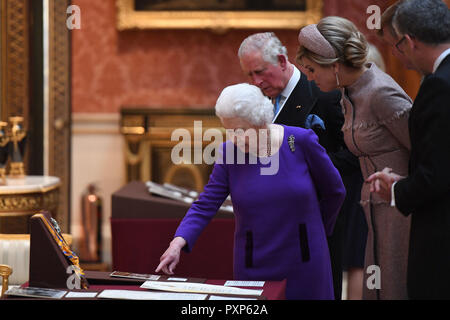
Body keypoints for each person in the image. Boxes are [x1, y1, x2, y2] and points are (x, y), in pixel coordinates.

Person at [156, 83, 346, 300]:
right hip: (254, 264)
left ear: (262, 121)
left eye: (240, 131)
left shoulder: (300, 141)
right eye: (229, 131)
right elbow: (206, 203)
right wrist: (178, 241)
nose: (234, 139)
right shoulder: (229, 153)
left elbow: (335, 191)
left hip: (305, 260)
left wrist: (317, 229)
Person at [296, 16, 412, 300]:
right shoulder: (348, 93)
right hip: (373, 206)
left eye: (312, 70)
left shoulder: (381, 92)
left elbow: (427, 151)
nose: (310, 78)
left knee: (395, 289)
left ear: (334, 65)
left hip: (402, 210)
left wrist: (403, 188)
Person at [238, 31, 360, 300]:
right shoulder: (258, 99)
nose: (255, 82)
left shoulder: (325, 93)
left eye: (260, 72)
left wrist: (304, 170)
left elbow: (353, 156)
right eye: (249, 75)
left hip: (317, 223)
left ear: (282, 61)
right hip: (271, 228)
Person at [367, 0, 450, 300]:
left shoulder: (439, 85)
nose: (394, 55)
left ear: (409, 42)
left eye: (394, 46)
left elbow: (438, 172)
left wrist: (396, 190)